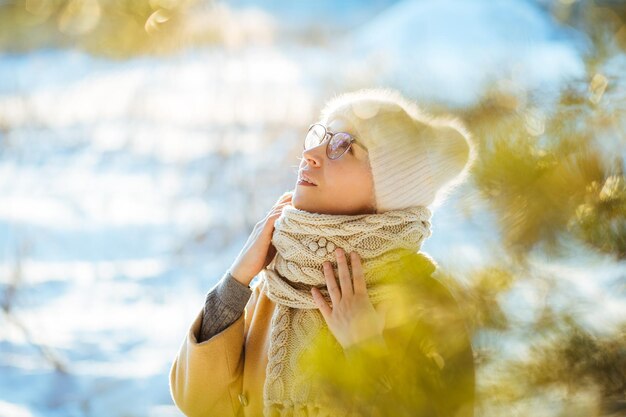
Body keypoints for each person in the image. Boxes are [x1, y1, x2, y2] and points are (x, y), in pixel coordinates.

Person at [169, 87, 477, 417]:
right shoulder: (275, 285)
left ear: (388, 191)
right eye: (321, 136)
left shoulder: (423, 299)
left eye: (343, 146)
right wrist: (235, 282)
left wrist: (366, 350)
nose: (311, 153)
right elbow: (200, 404)